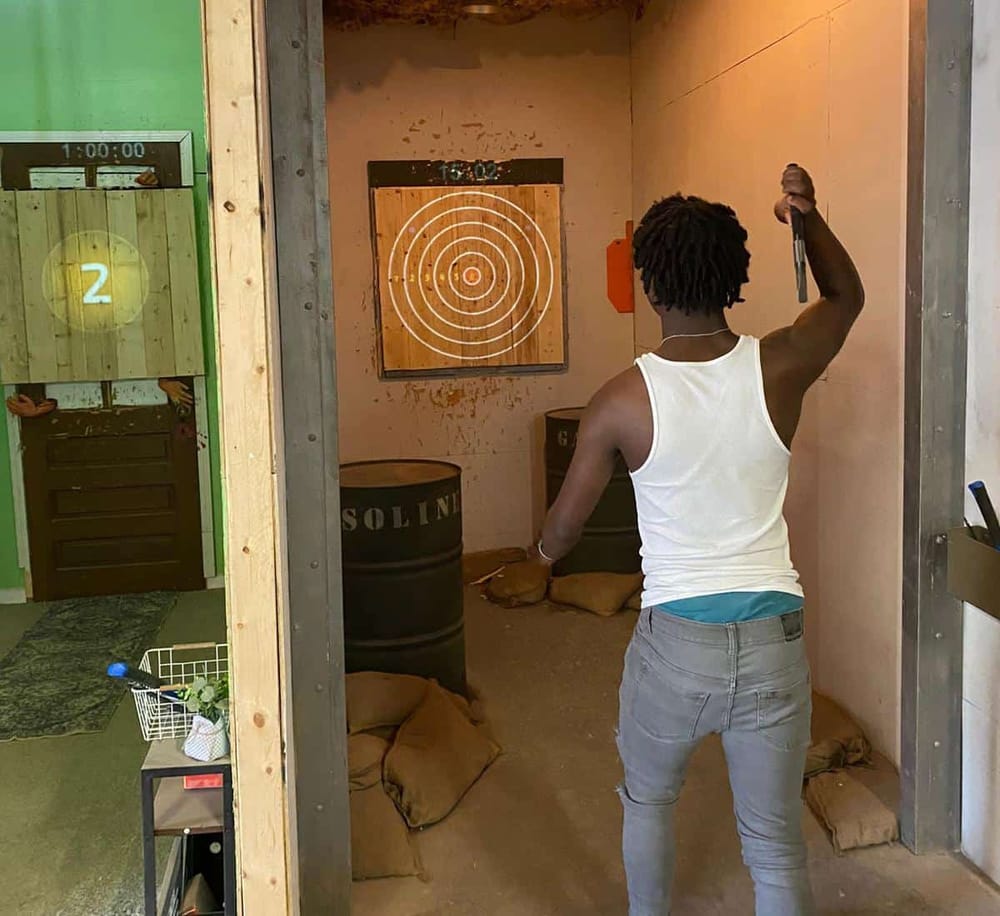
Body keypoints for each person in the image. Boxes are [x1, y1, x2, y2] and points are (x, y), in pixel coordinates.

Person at [530, 165, 864, 916]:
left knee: (649, 802)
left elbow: (565, 526)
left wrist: (541, 559)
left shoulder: (620, 400)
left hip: (676, 644)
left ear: (650, 285)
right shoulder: (781, 364)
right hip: (775, 638)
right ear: (732, 279)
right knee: (773, 843)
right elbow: (845, 297)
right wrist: (806, 219)